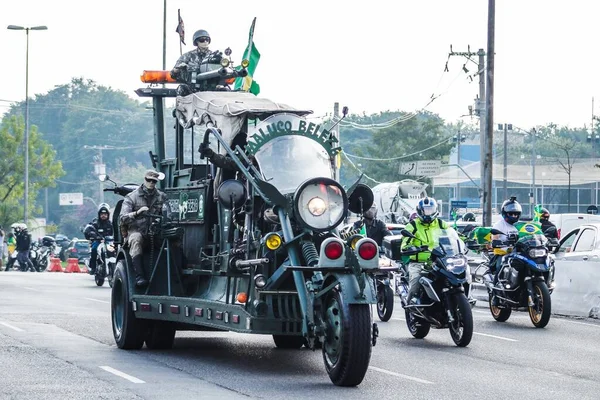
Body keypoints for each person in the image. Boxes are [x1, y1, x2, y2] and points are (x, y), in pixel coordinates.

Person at [120, 170, 167, 287]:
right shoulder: (131, 197)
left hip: (155, 233)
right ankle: (140, 276)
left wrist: (160, 220)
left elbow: (169, 215)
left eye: (154, 181)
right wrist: (137, 213)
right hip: (136, 231)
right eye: (148, 180)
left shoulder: (162, 197)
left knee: (173, 239)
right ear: (144, 179)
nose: (151, 183)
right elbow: (122, 218)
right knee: (136, 239)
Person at [402, 197, 448, 304]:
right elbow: (405, 242)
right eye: (425, 210)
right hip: (419, 263)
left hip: (439, 261)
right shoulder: (413, 225)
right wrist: (409, 248)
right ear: (419, 210)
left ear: (435, 210)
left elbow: (454, 235)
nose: (428, 213)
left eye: (430, 210)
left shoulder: (441, 224)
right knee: (415, 285)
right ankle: (410, 308)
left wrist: (467, 240)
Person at [488, 197, 522, 303]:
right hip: (502, 254)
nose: (514, 216)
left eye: (516, 214)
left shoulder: (519, 226)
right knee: (500, 268)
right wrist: (496, 242)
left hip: (517, 254)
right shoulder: (499, 225)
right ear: (505, 213)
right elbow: (495, 237)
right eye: (511, 214)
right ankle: (495, 295)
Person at [83, 203, 114, 275]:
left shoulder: (111, 224)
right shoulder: (95, 223)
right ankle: (93, 267)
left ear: (108, 215)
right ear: (99, 214)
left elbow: (115, 232)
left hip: (108, 242)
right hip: (98, 241)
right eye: (102, 214)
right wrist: (92, 233)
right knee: (94, 249)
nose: (103, 215)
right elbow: (88, 229)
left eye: (105, 214)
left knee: (114, 250)